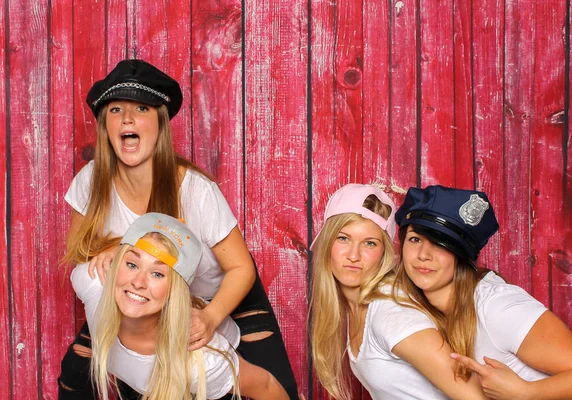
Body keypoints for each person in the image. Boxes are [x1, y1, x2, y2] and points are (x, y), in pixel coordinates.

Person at [58, 59, 298, 399]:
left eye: (141, 108)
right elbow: (79, 250)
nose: (127, 119)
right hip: (150, 300)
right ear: (105, 125)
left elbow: (241, 268)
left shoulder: (196, 190)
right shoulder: (90, 181)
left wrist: (211, 317)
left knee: (275, 386)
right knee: (76, 373)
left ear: (160, 122)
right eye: (115, 109)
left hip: (222, 293)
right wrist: (111, 249)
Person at [394, 185, 572, 400]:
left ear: (461, 255)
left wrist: (526, 393)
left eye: (440, 243)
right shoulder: (413, 308)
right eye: (415, 239)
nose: (423, 255)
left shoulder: (497, 306)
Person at [71, 212, 289, 400]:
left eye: (157, 273)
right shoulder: (91, 282)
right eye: (131, 264)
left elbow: (267, 386)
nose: (138, 282)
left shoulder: (200, 363)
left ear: (174, 292)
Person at [309, 183, 487, 400]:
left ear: (383, 253)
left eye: (369, 243)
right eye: (343, 238)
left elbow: (476, 397)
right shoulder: (358, 307)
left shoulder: (392, 314)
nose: (353, 255)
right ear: (327, 242)